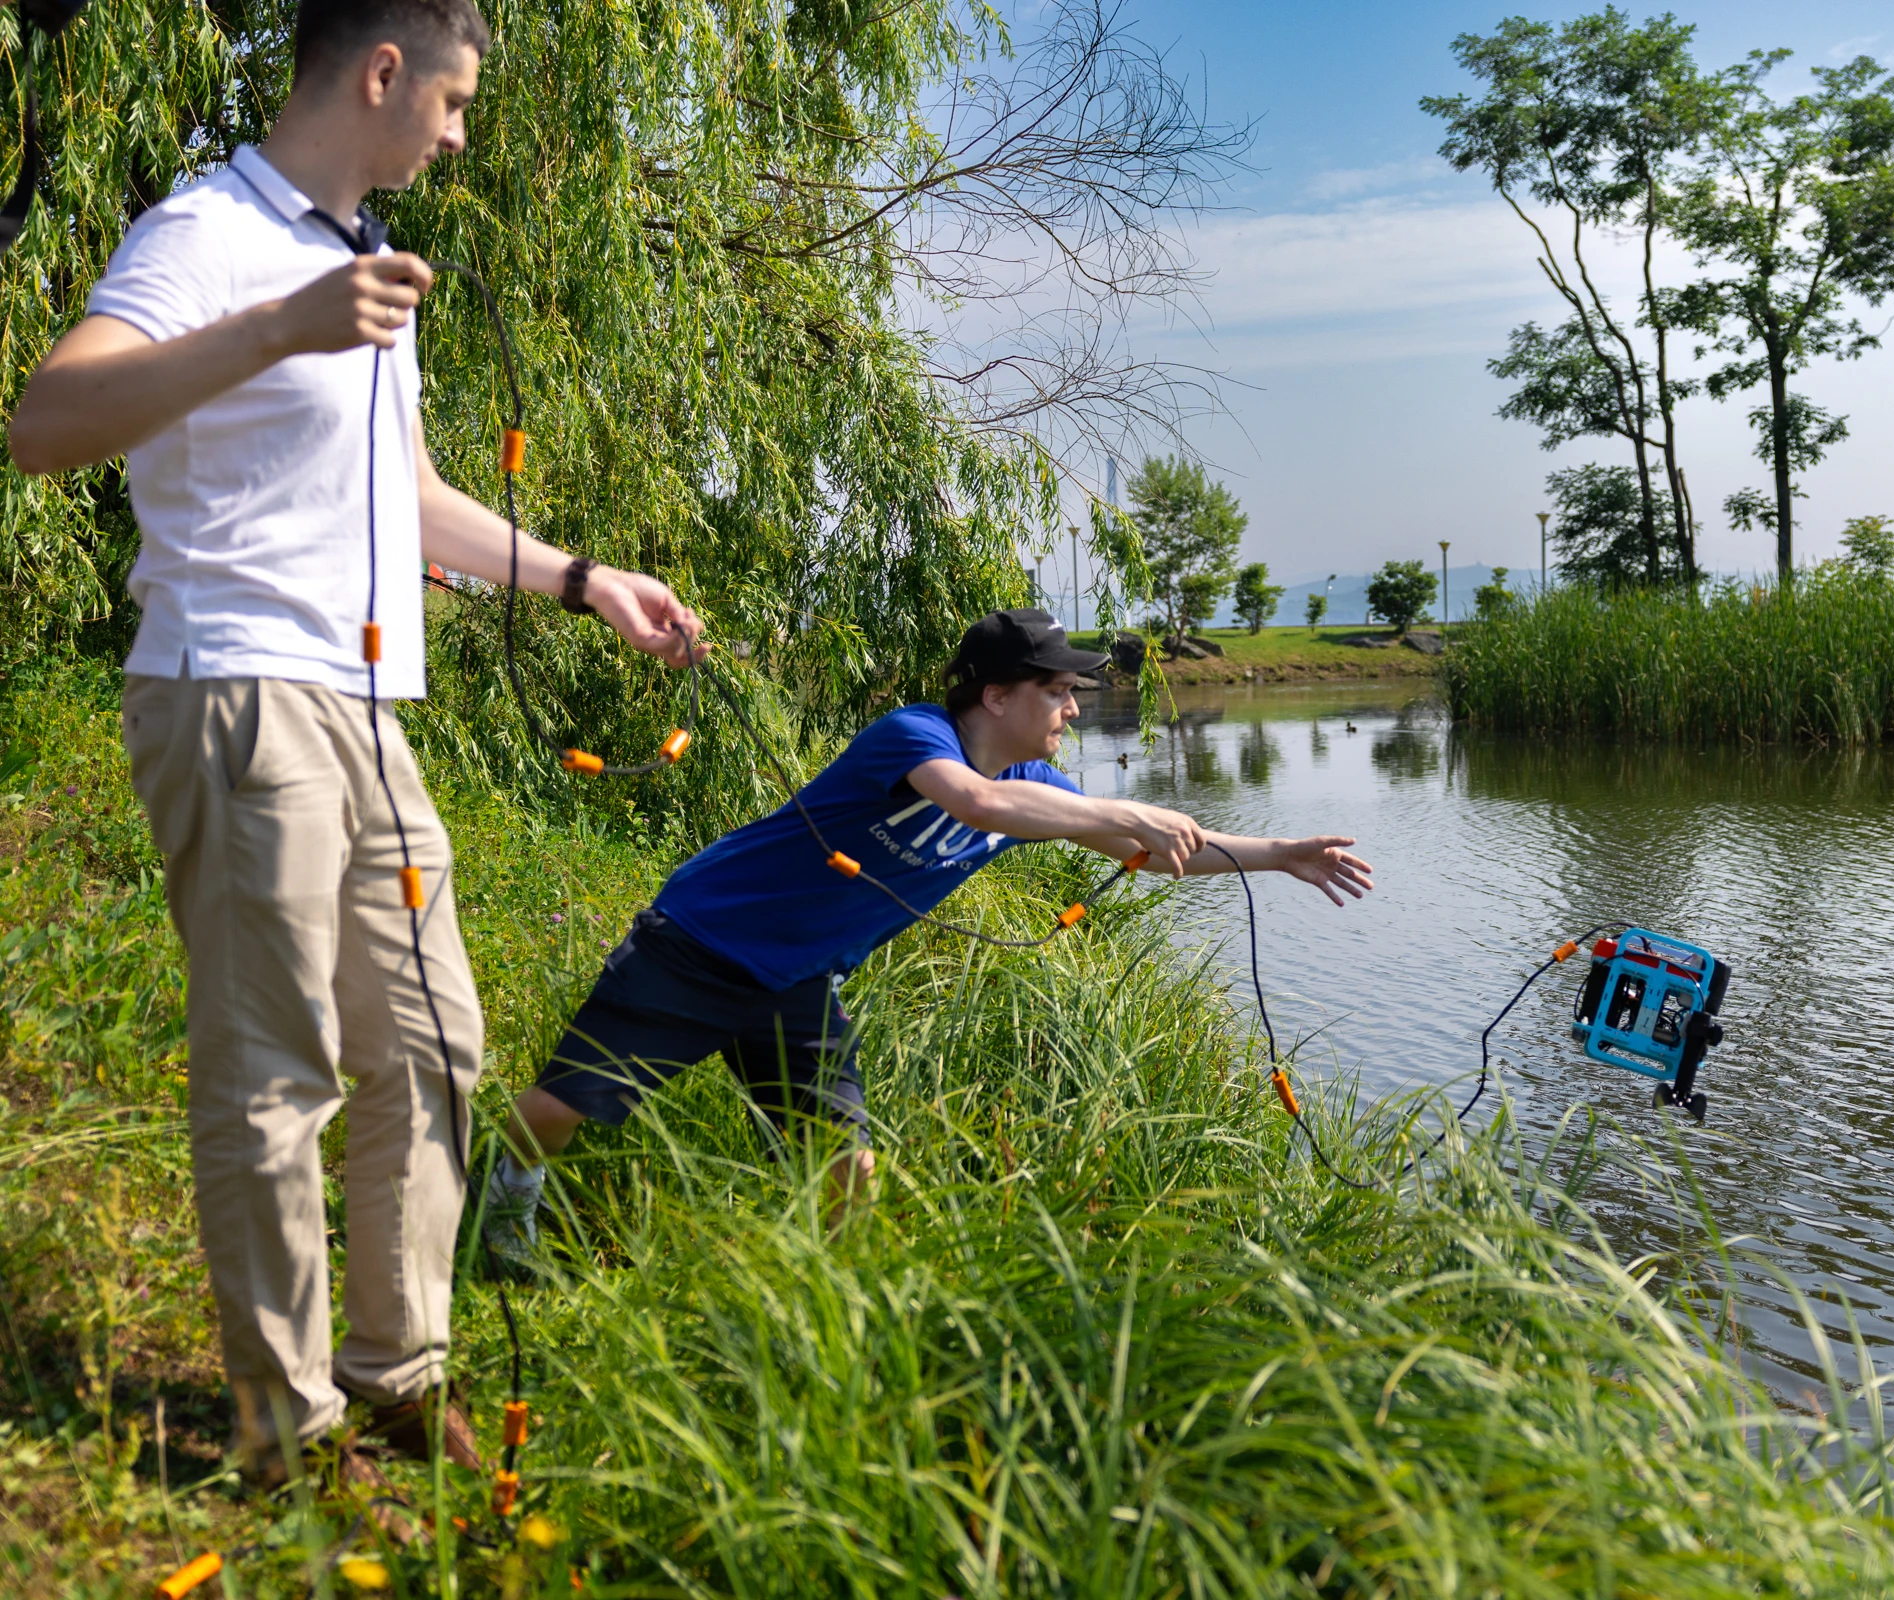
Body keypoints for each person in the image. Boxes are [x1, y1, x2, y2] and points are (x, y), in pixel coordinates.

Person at [6, 0, 706, 1490]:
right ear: (382, 74)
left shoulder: (345, 260)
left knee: (438, 1045)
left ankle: (397, 1366)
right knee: (279, 1070)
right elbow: (48, 421)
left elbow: (408, 488)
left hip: (369, 707)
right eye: (451, 101)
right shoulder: (211, 232)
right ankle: (287, 1422)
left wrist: (584, 579)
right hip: (239, 692)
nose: (458, 134)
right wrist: (274, 329)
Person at [481, 608, 1374, 1253]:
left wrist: (1276, 852)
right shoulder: (911, 737)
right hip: (700, 943)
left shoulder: (1043, 786)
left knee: (845, 1168)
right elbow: (977, 802)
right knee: (562, 1111)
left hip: (798, 980)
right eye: (1059, 692)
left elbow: (1153, 849)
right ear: (996, 693)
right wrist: (1121, 805)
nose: (1073, 709)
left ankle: (831, 1295)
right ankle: (498, 1202)